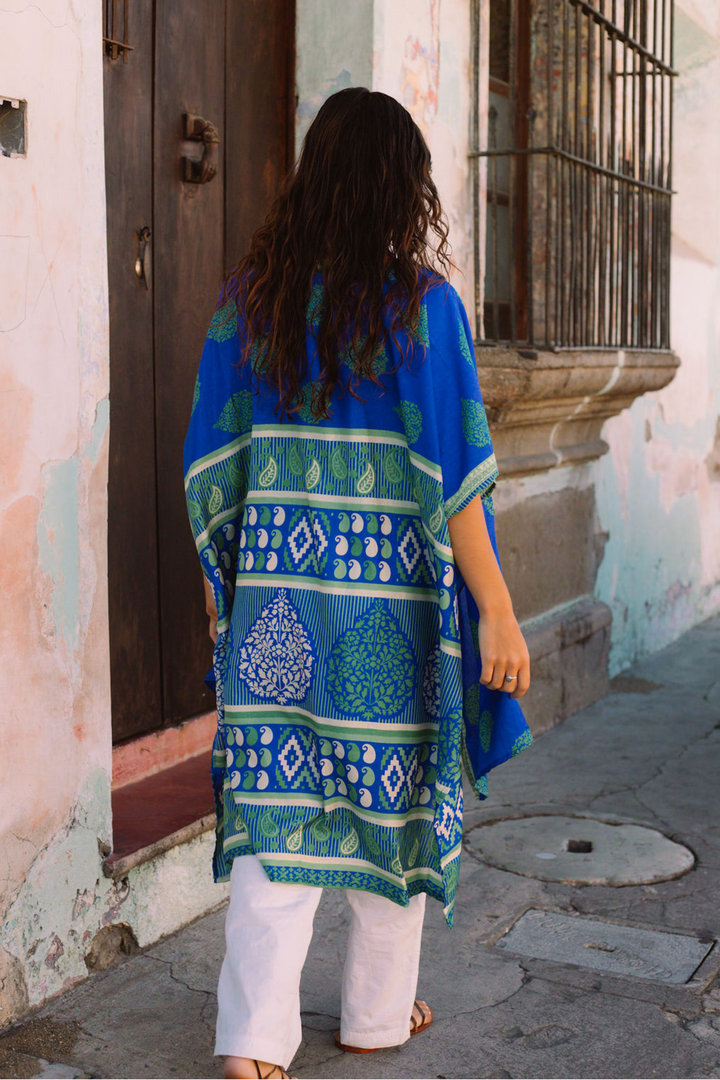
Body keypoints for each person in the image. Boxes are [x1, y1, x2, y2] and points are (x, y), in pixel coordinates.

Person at [183, 86, 533, 1080]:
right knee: (397, 807)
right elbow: (458, 484)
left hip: (276, 617)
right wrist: (499, 611)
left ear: (313, 179)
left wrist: (231, 597)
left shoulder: (244, 309)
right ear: (403, 190)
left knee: (277, 815)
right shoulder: (426, 311)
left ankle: (253, 1044)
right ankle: (376, 1015)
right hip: (397, 613)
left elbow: (213, 477)